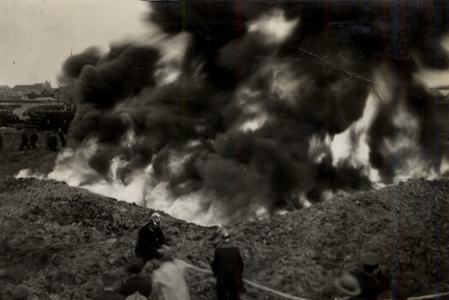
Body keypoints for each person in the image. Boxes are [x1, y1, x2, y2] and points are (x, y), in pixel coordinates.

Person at [211, 229, 244, 300]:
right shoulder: (236, 250)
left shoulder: (218, 251)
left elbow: (214, 265)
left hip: (222, 280)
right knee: (234, 297)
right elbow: (241, 265)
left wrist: (216, 274)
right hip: (235, 280)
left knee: (221, 296)